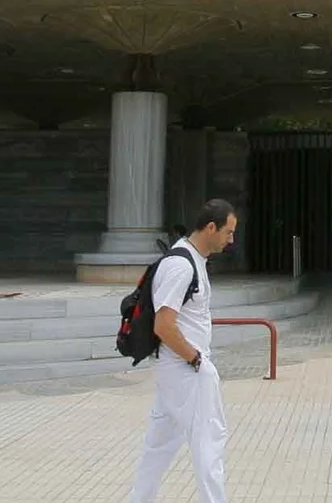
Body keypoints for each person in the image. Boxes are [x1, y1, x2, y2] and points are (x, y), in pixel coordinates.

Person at [132, 199, 238, 503]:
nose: (231, 240)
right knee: (209, 444)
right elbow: (164, 326)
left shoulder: (191, 260)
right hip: (186, 368)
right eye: (228, 232)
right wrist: (196, 359)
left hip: (176, 369)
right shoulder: (180, 265)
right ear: (210, 228)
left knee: (158, 445)